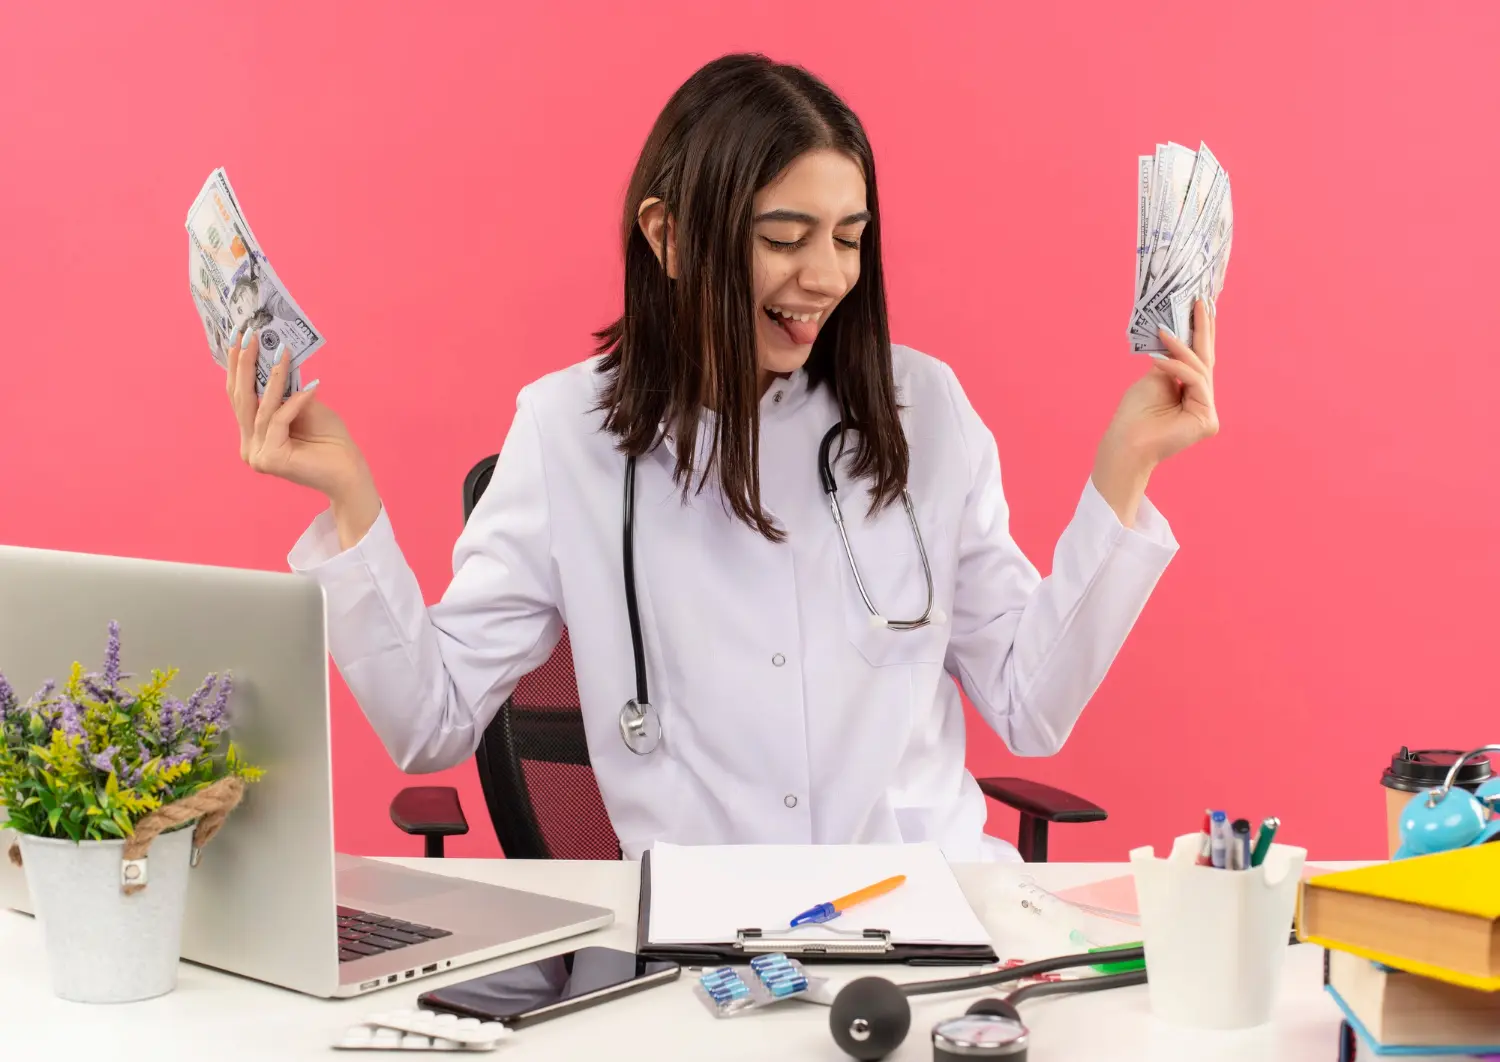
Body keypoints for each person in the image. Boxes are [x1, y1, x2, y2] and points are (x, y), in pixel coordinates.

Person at [223, 53, 1218, 862]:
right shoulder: (568, 434)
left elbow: (1028, 704)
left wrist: (1124, 472)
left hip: (922, 918)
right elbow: (431, 721)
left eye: (849, 237)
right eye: (785, 238)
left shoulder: (927, 412)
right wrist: (349, 500)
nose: (825, 277)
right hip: (705, 947)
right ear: (668, 234)